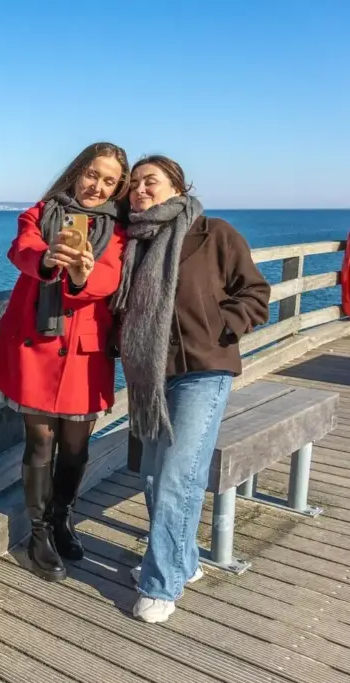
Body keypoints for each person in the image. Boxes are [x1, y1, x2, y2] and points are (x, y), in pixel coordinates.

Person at [112, 155, 271, 623]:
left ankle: (161, 584)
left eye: (151, 181)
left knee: (177, 476)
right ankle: (185, 563)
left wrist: (222, 326)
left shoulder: (213, 233)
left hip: (203, 368)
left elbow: (255, 293)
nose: (140, 190)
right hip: (150, 375)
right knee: (152, 475)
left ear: (178, 189)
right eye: (134, 184)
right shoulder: (133, 243)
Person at [0, 142, 129, 582]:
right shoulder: (40, 212)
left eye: (109, 181)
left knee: (76, 446)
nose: (97, 186)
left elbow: (111, 276)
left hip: (85, 351)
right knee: (40, 442)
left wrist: (84, 275)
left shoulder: (120, 230)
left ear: (118, 187)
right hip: (37, 346)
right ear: (77, 172)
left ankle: (63, 517)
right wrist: (46, 258)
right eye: (92, 174)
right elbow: (22, 248)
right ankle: (40, 533)